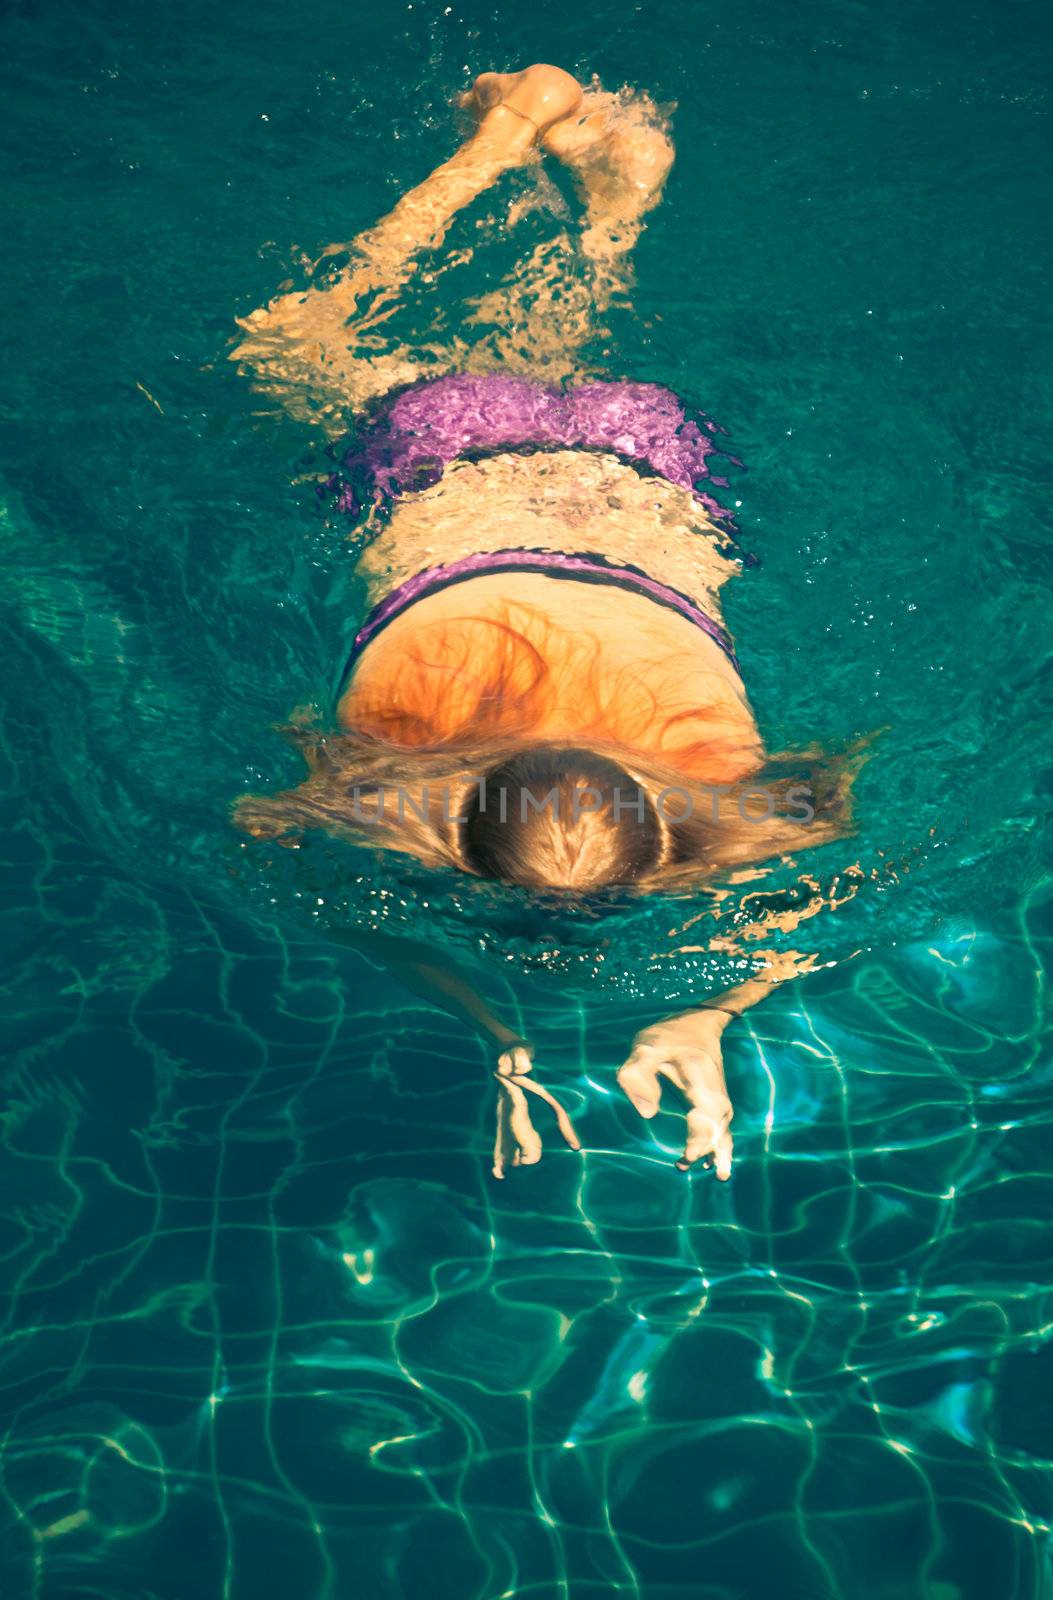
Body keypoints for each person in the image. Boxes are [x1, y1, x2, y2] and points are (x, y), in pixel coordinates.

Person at [232, 65, 860, 1180]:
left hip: (645, 471)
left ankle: (605, 210)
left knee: (523, 339)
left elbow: (810, 906)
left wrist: (682, 1013)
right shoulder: (380, 764)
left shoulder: (734, 781)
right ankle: (517, 153)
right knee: (282, 345)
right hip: (446, 468)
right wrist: (550, 1023)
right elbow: (291, 867)